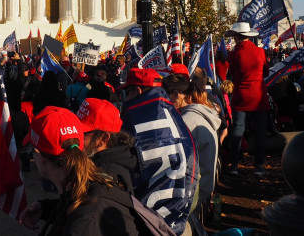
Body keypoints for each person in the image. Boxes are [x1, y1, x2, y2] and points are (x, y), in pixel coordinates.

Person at [18, 106, 148, 235]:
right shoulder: (91, 180)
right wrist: (46, 209)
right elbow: (80, 199)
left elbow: (90, 210)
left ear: (39, 156)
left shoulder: (86, 220)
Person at [120, 68, 198, 235]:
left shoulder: (138, 117)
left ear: (138, 90)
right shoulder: (174, 114)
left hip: (149, 220)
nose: (126, 98)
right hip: (178, 215)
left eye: (128, 92)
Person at [162, 74, 222, 234]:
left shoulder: (187, 120)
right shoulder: (198, 114)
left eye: (166, 96)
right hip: (200, 189)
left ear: (176, 95)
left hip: (190, 195)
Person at [224, 22, 270, 176]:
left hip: (241, 96)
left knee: (237, 130)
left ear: (237, 37)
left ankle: (235, 165)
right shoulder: (260, 52)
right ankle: (259, 165)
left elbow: (231, 74)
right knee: (259, 132)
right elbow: (266, 73)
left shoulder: (233, 54)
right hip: (258, 95)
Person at [77, 97, 139, 193]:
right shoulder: (98, 162)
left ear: (103, 139)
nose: (75, 137)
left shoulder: (105, 181)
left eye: (83, 133)